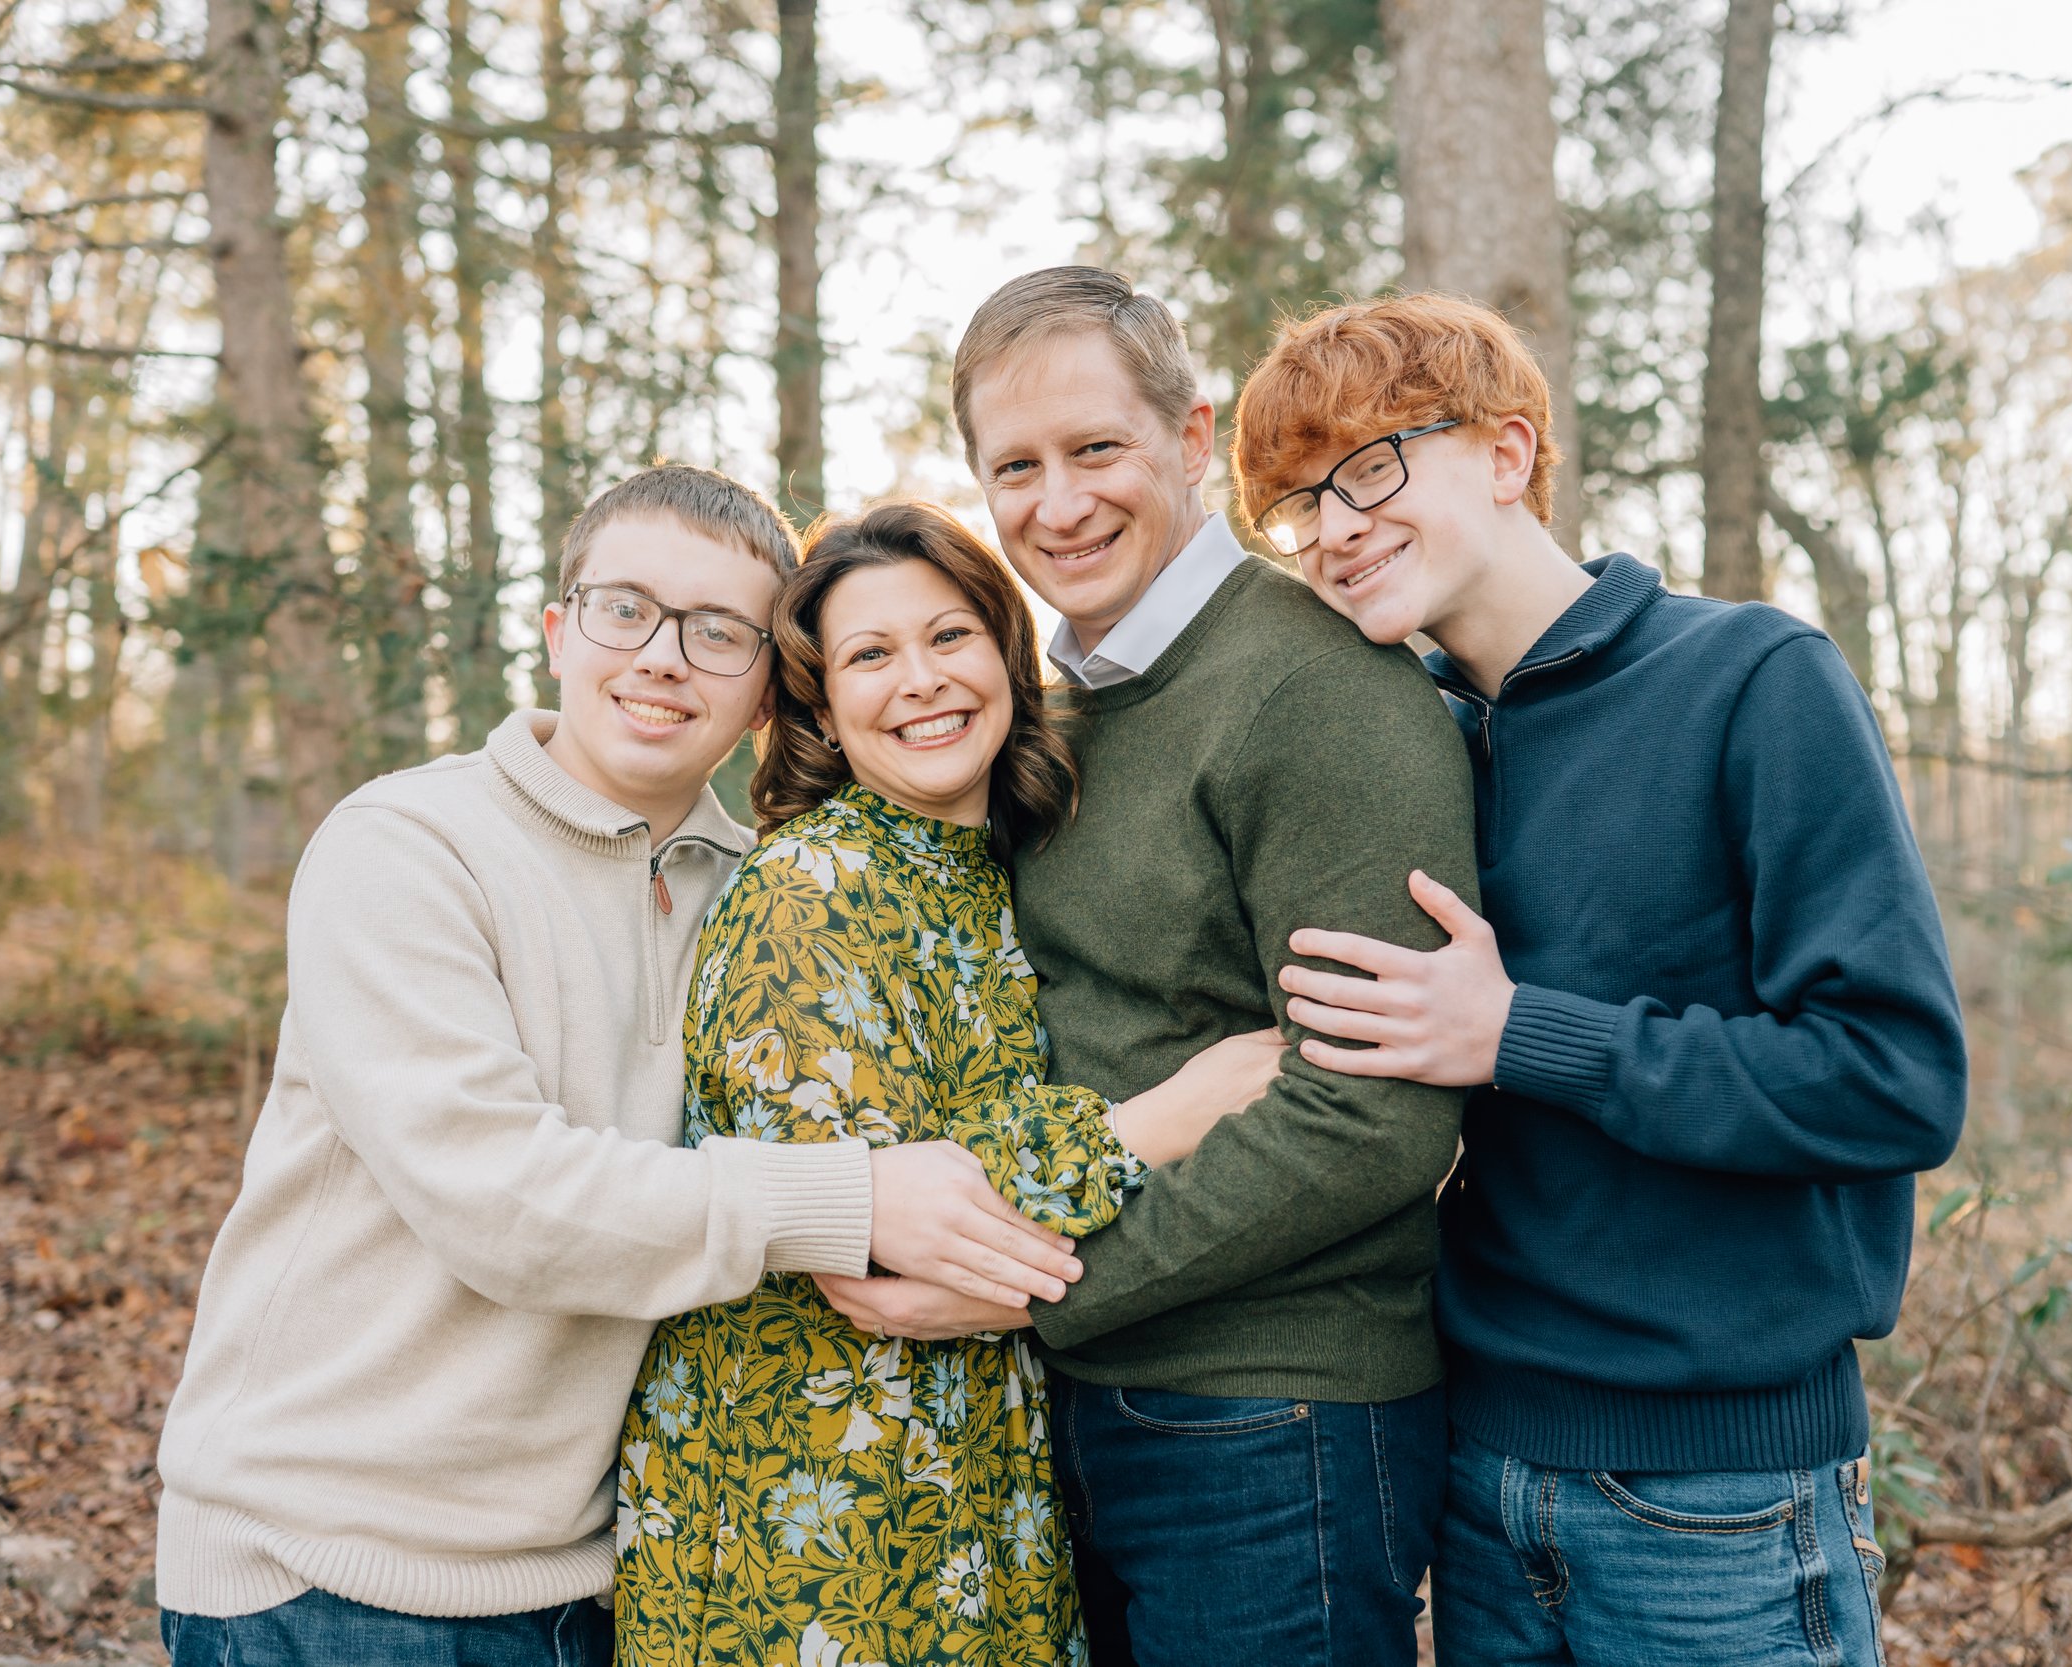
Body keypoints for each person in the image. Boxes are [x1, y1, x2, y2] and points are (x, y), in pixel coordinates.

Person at [155, 466, 1089, 1667]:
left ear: (765, 689)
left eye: (716, 633)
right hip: (330, 1572)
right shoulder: (405, 846)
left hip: (599, 1575)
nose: (661, 657)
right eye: (624, 609)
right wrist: (855, 1200)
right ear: (558, 630)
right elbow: (499, 1197)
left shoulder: (761, 888)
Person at [1231, 291, 1969, 1667]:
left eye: (1370, 468)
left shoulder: (1753, 679)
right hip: (1479, 1472)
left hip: (1722, 1497)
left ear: (1508, 455)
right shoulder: (1417, 747)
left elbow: (1896, 1078)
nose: (1332, 527)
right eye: (1296, 502)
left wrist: (1523, 1032)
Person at [816, 268, 1482, 1667]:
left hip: (1275, 1414)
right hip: (1087, 1398)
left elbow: (1372, 1112)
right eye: (1017, 466)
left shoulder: (1317, 691)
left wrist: (1037, 1280)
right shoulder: (1056, 709)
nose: (1058, 504)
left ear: (1192, 438)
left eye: (1096, 449)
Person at [614, 500, 1279, 1667]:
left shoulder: (998, 871)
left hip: (980, 1476)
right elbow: (867, 1242)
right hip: (818, 1511)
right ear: (820, 703)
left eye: (948, 636)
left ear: (1008, 655)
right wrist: (1172, 1114)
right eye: (870, 655)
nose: (919, 679)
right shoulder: (811, 889)